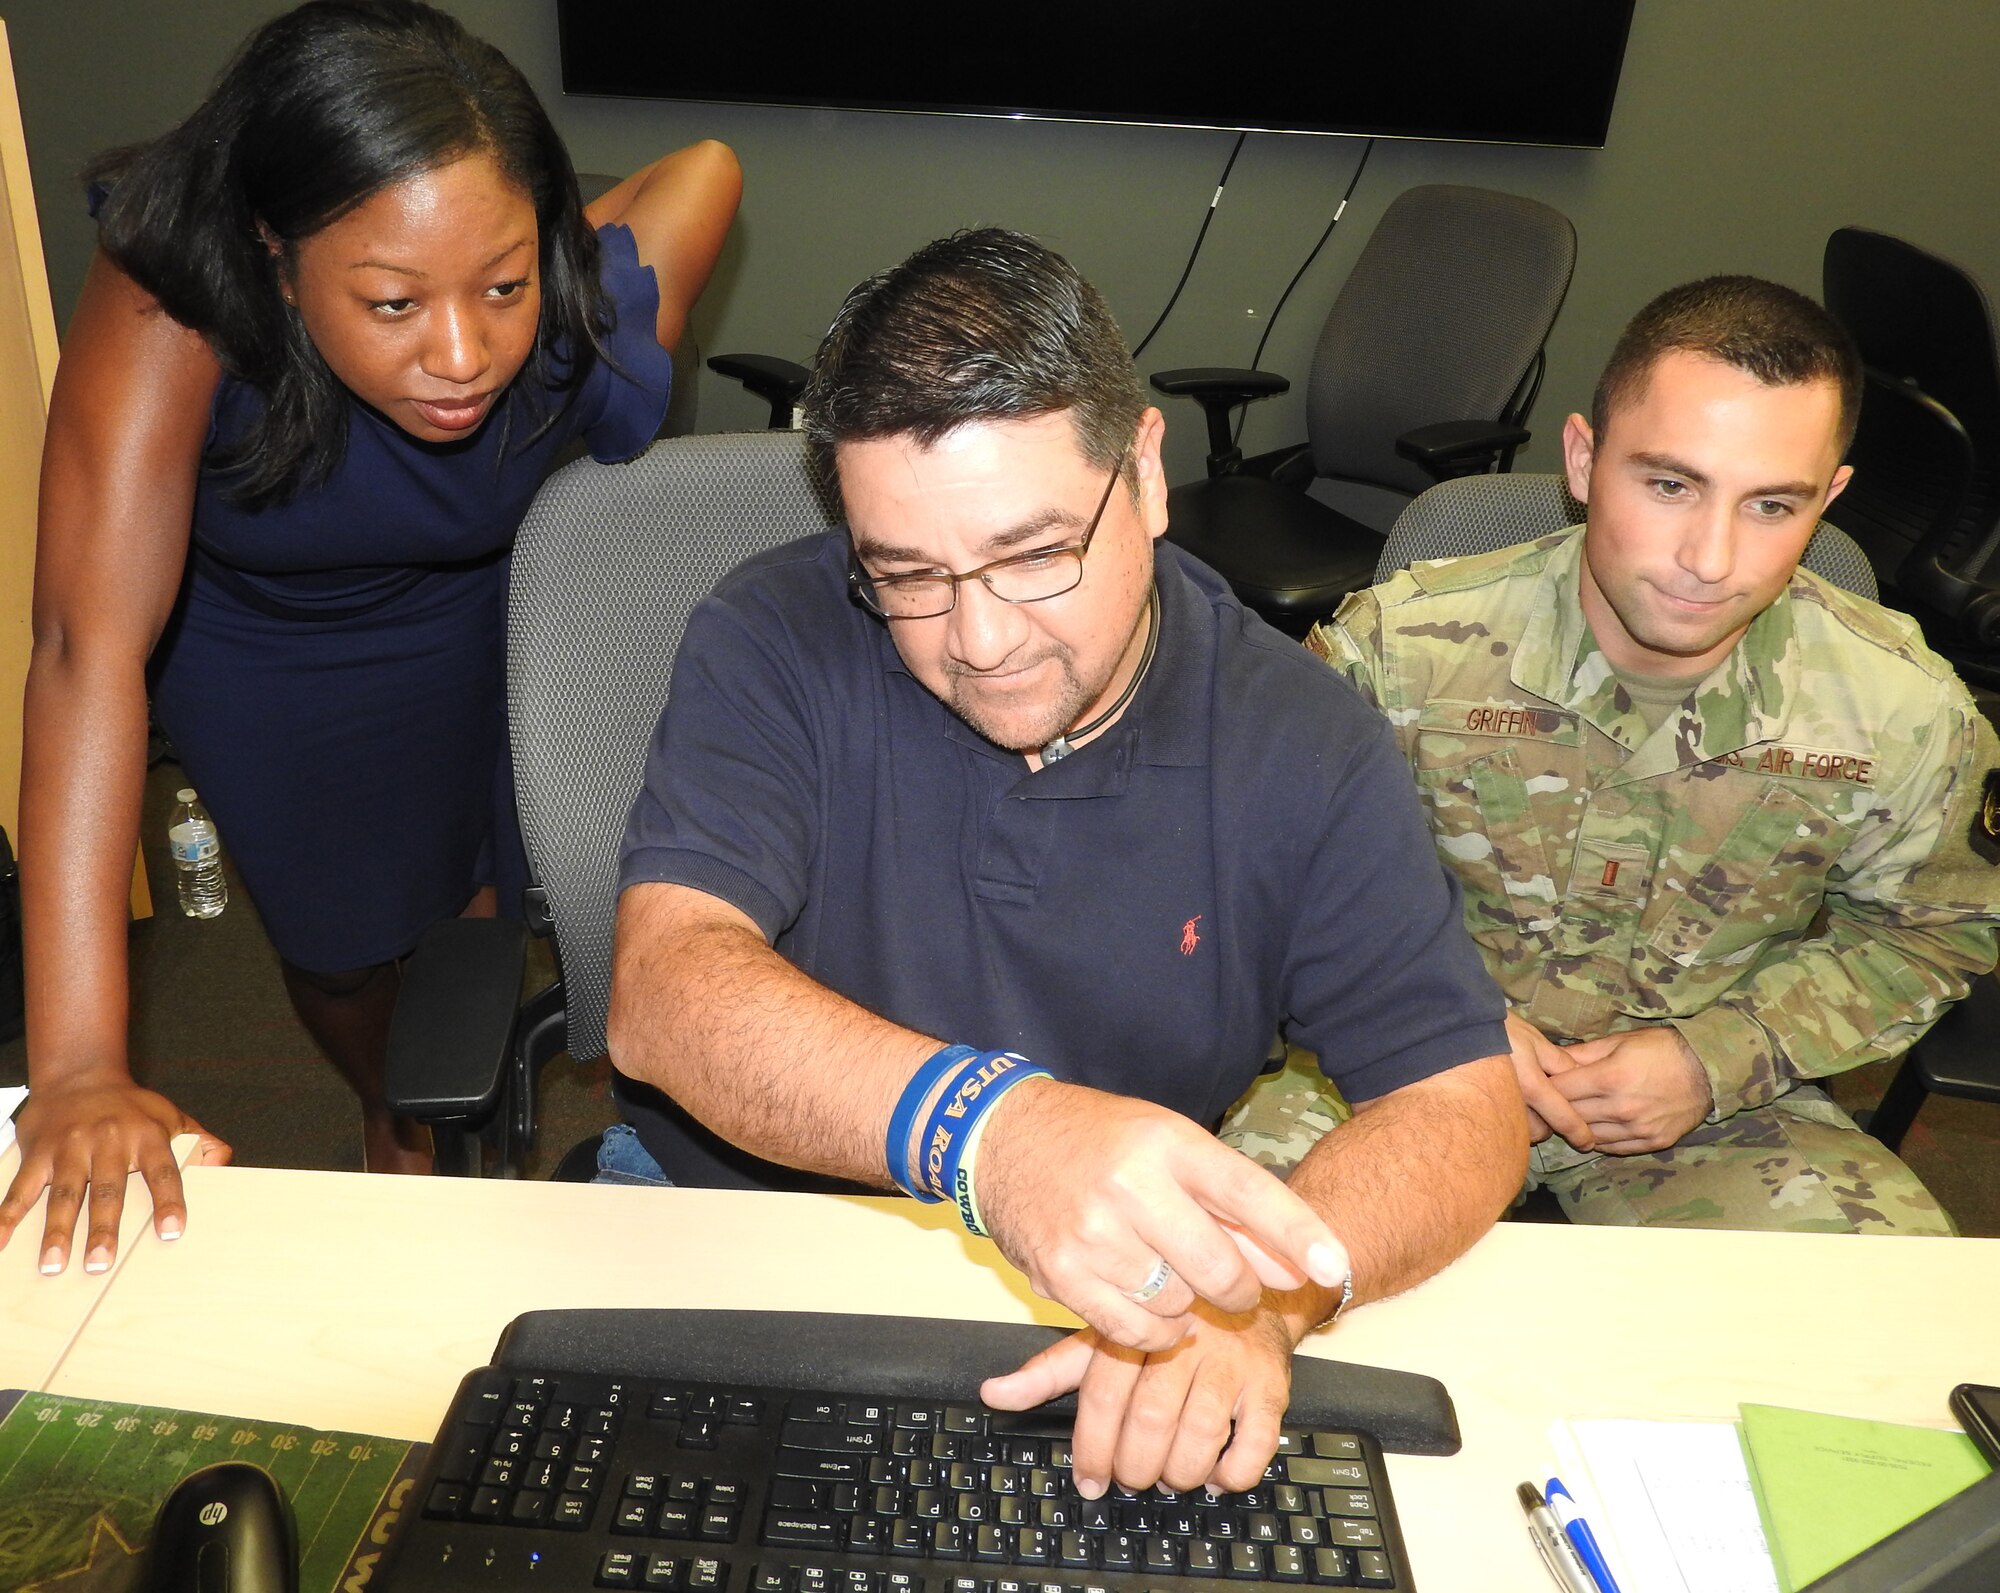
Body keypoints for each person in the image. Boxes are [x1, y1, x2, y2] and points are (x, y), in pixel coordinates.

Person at [607, 228, 1524, 1494]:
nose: (977, 640)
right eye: (908, 575)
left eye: (1035, 555)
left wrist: (1253, 1304)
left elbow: (1461, 1106)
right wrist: (994, 1134)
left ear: (1146, 474)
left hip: (1109, 1300)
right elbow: (664, 991)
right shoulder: (775, 634)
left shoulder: (1299, 740)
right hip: (755, 1233)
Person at [0, 0, 740, 1275]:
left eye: (500, 285)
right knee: (341, 955)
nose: (463, 354)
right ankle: (386, 1097)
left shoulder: (554, 309)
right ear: (273, 254)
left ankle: (432, 1097)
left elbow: (706, 170)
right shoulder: (179, 295)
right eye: (394, 301)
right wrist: (74, 1067)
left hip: (487, 607)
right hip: (277, 641)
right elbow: (83, 648)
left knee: (476, 905)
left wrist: (534, 263)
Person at [1314, 275, 2000, 1233]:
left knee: (1880, 1353)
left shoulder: (1901, 710)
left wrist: (1716, 1056)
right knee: (1208, 1296)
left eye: (1771, 505)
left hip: (1717, 1116)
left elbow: (1936, 928)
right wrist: (1436, 1021)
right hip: (1396, 1066)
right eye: (1671, 484)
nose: (1711, 558)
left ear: (1832, 499)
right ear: (1585, 461)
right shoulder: (1398, 650)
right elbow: (1270, 880)